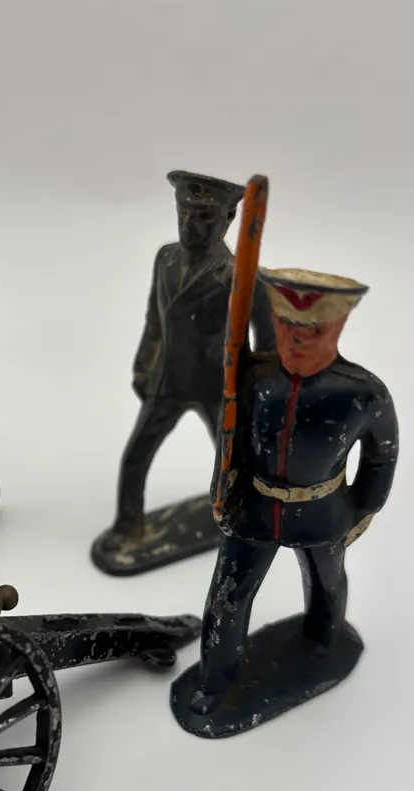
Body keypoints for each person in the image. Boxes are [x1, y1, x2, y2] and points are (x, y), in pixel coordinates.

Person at [193, 266, 399, 711]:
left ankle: (323, 643)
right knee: (228, 597)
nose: (296, 338)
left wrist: (364, 507)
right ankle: (215, 682)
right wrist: (223, 493)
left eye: (313, 328)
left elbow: (382, 455)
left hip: (324, 512)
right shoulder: (252, 380)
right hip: (254, 510)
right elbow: (230, 444)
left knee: (327, 582)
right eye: (286, 324)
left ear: (338, 326)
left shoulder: (363, 394)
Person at [101, 170, 276, 550]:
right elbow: (154, 319)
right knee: (136, 455)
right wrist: (143, 364)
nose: (189, 224)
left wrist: (252, 392)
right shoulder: (165, 259)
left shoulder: (241, 277)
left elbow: (266, 345)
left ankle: (240, 517)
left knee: (234, 463)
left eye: (204, 216)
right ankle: (128, 527)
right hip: (168, 381)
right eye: (184, 212)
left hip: (218, 387)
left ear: (228, 219)